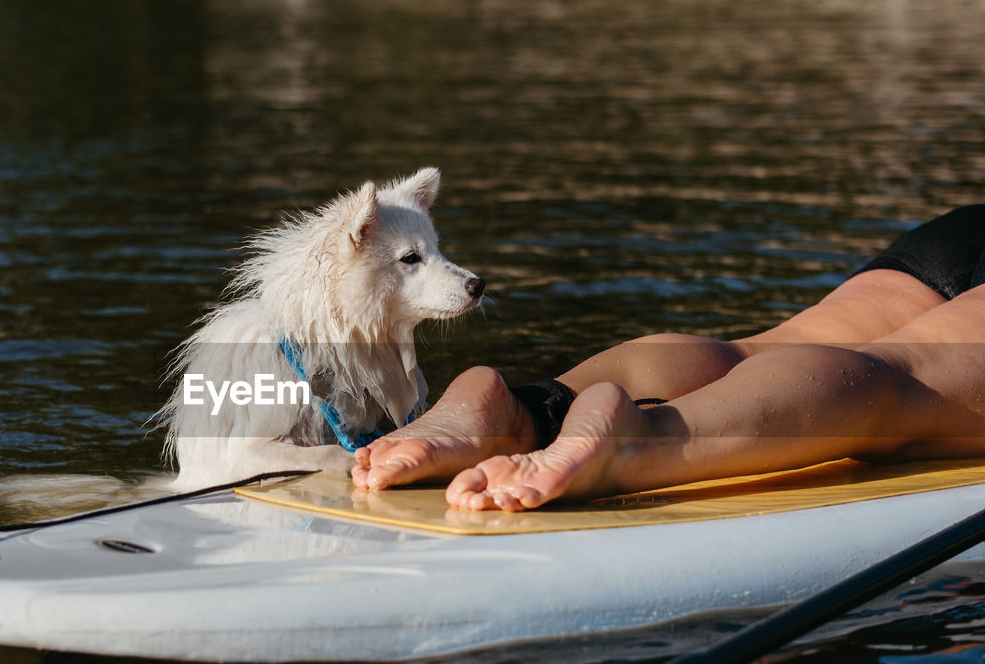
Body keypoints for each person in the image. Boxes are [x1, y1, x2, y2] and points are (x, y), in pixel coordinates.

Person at [351, 205, 985, 511]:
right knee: (905, 380)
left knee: (757, 349)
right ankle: (637, 443)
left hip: (959, 235)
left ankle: (524, 409)